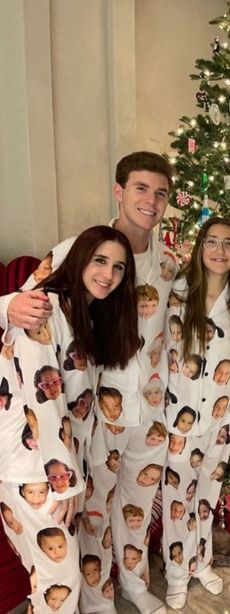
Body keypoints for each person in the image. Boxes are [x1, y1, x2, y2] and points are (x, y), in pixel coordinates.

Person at [2, 151, 174, 614]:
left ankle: (135, 584)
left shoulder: (170, 265)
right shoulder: (78, 249)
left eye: (160, 193)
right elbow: (26, 306)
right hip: (96, 419)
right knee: (93, 516)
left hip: (149, 413)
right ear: (119, 191)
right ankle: (98, 603)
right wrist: (4, 306)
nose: (150, 201)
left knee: (138, 508)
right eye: (140, 188)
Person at [0, 225, 138, 614]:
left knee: (49, 583)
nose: (108, 274)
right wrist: (65, 485)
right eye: (99, 261)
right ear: (77, 260)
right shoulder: (44, 309)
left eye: (118, 267)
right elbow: (43, 403)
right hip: (32, 472)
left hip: (50, 467)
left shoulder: (81, 315)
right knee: (60, 583)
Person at [162, 217, 230, 610]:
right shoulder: (176, 292)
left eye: (228, 243)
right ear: (200, 247)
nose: (219, 250)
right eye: (211, 242)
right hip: (178, 419)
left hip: (220, 420)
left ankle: (201, 564)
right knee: (177, 501)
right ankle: (176, 573)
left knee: (207, 497)